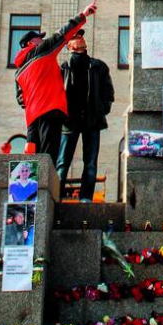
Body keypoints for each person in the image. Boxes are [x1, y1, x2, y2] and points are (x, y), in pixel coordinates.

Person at [14, 1, 97, 165]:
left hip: (32, 119)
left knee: (32, 158)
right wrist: (84, 15)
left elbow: (21, 99)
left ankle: (31, 189)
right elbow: (62, 34)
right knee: (48, 157)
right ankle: (47, 190)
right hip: (50, 111)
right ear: (32, 43)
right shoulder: (42, 51)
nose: (42, 40)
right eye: (39, 39)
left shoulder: (18, 71)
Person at [56, 28, 115, 202]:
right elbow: (57, 93)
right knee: (62, 162)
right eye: (75, 36)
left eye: (80, 35)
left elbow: (108, 92)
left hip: (91, 121)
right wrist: (62, 115)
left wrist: (101, 110)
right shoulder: (63, 68)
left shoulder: (98, 66)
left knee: (90, 163)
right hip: (69, 121)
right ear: (69, 45)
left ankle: (86, 198)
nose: (79, 38)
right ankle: (55, 197)